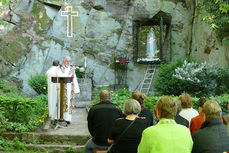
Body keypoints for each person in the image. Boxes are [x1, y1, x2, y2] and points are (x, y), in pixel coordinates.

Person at [58, 56, 80, 123]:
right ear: (63, 61)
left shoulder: (71, 68)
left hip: (70, 89)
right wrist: (69, 73)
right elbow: (61, 77)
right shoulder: (61, 68)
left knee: (70, 104)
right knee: (63, 103)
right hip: (63, 89)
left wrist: (76, 89)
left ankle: (68, 119)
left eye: (69, 61)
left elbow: (74, 79)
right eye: (67, 61)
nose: (68, 62)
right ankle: (62, 118)